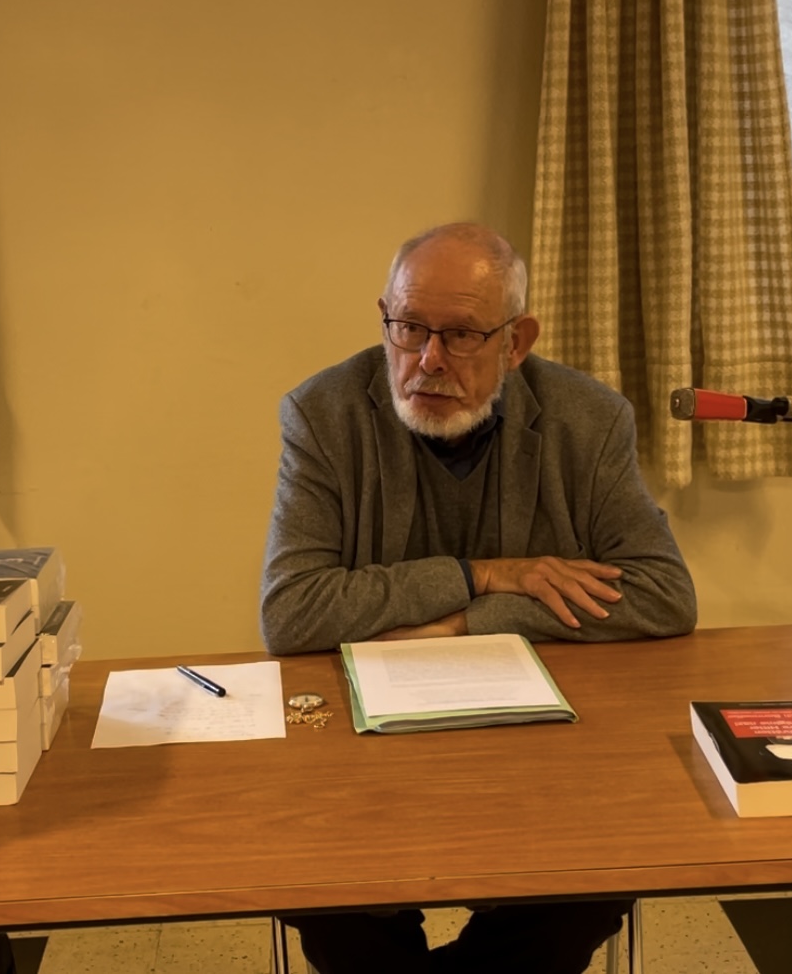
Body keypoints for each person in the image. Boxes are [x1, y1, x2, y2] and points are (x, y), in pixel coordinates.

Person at [261, 222, 697, 974]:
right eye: (409, 328)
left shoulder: (588, 420)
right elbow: (292, 610)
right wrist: (483, 575)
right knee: (321, 886)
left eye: (461, 335)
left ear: (516, 341)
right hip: (367, 759)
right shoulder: (323, 414)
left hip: (542, 756)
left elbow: (663, 594)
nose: (428, 359)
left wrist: (465, 622)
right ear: (385, 319)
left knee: (600, 872)